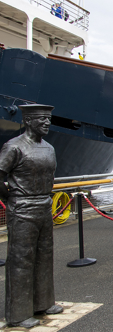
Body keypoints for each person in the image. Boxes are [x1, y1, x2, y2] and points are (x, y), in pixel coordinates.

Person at [0, 105, 63, 328]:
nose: (47, 123)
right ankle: (18, 314)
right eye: (42, 119)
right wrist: (11, 198)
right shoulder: (13, 147)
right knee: (21, 260)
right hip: (23, 208)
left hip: (44, 205)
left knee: (45, 255)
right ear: (28, 121)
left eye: (49, 119)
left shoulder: (49, 148)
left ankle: (43, 303)